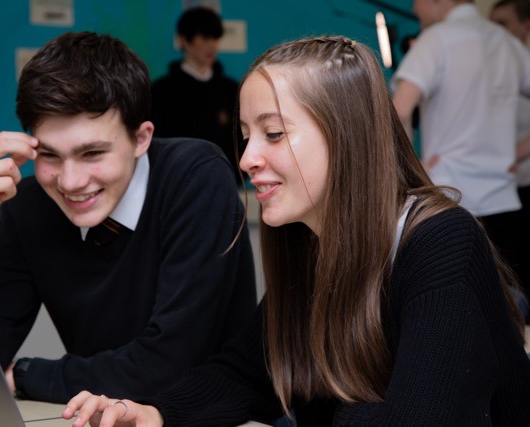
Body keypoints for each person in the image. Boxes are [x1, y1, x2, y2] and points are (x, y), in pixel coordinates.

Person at [62, 36, 530, 426]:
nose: (246, 160)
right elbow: (244, 374)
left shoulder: (439, 240)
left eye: (274, 134)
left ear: (347, 134)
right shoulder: (311, 238)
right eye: (246, 136)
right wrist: (153, 413)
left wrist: (317, 408)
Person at [0, 31, 257, 404]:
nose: (71, 182)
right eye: (50, 155)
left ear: (141, 138)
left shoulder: (195, 177)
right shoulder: (31, 207)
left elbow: (170, 365)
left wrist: (24, 374)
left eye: (92, 153)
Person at [392, 0, 530, 299]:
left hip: (449, 194)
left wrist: (410, 164)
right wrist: (515, 153)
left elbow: (399, 108)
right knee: (504, 307)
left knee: (453, 301)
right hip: (503, 200)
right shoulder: (508, 43)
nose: (415, 8)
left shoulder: (437, 39)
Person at [151, 7, 241, 182]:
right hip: (176, 186)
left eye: (216, 38)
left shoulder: (230, 89)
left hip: (223, 184)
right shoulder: (162, 91)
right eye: (205, 38)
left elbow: (241, 141)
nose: (213, 45)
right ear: (185, 40)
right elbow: (155, 143)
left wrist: (233, 176)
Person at [490, 0, 530, 301]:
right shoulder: (495, 70)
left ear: (525, 26)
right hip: (500, 188)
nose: (495, 31)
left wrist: (514, 154)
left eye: (502, 23)